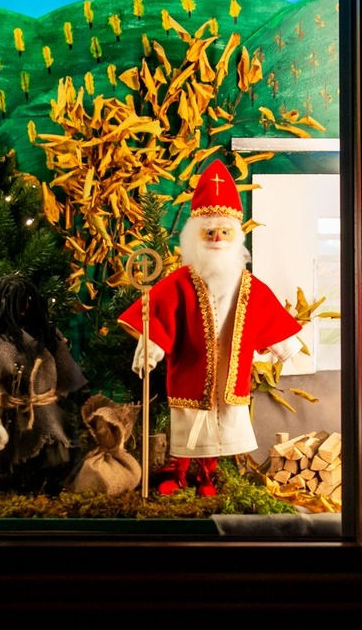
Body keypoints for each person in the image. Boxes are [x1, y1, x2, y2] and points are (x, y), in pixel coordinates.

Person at [118, 159, 307, 496]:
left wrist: (286, 347)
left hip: (230, 373)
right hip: (190, 370)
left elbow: (266, 312)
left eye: (224, 232)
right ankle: (177, 472)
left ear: (235, 236)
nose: (217, 238)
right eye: (209, 232)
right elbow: (158, 314)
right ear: (196, 236)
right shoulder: (181, 281)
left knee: (224, 426)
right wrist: (150, 350)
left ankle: (207, 476)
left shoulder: (246, 283)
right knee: (188, 426)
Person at [0, 272, 86, 486]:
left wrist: (60, 394)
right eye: (15, 301)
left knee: (55, 448)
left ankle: (50, 480)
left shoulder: (49, 335)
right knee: (14, 456)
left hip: (46, 409)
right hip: (12, 416)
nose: (23, 307)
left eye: (26, 300)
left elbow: (69, 375)